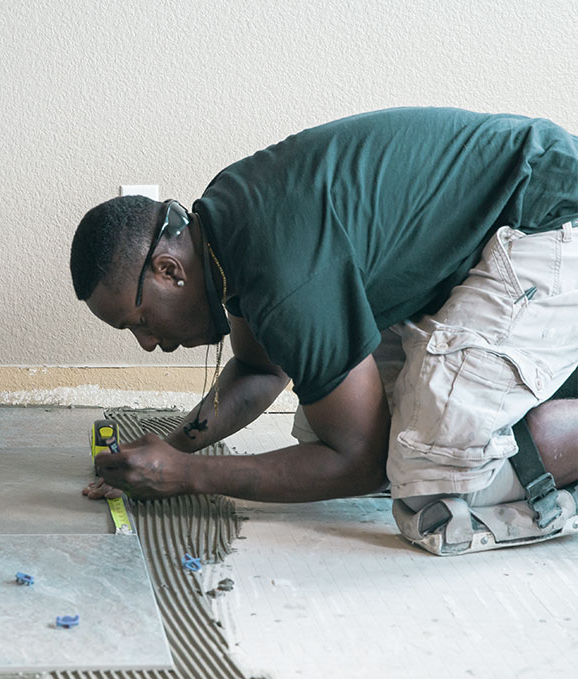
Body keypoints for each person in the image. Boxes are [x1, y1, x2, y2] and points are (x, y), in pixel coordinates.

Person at [70, 107, 578, 555]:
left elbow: (358, 463)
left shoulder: (282, 272)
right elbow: (258, 369)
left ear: (168, 271)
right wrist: (174, 447)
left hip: (551, 216)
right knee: (334, 428)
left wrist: (185, 476)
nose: (148, 343)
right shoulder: (223, 223)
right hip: (493, 240)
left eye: (139, 322)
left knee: (424, 478)